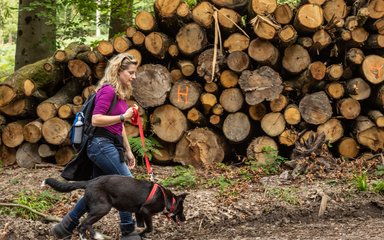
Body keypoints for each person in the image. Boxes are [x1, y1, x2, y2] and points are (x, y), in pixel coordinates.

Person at [52, 53, 139, 239]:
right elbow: (97, 119)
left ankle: (65, 226)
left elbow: (118, 126)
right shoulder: (107, 91)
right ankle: (128, 230)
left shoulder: (120, 94)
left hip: (110, 145)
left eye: (134, 73)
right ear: (118, 71)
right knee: (126, 185)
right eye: (130, 73)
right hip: (100, 145)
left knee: (96, 190)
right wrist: (124, 116)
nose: (134, 77)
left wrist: (128, 150)